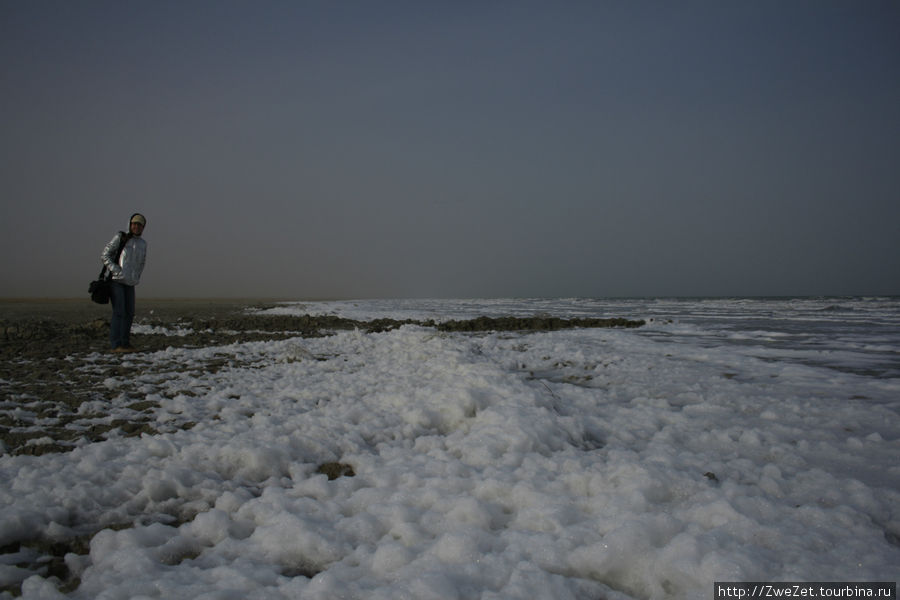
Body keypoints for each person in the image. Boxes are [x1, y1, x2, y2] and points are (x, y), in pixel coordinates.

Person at [101, 213, 148, 353]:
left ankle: (125, 343)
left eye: (140, 225)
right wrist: (116, 270)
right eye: (134, 224)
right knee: (119, 312)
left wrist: (136, 276)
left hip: (130, 282)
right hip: (117, 281)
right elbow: (105, 255)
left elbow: (141, 262)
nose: (136, 227)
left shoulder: (142, 244)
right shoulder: (121, 237)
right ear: (130, 224)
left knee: (129, 312)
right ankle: (116, 344)